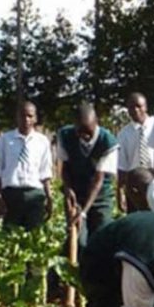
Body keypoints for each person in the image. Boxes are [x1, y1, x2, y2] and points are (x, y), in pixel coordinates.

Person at [59, 103, 119, 250]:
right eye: (80, 131)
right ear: (74, 126)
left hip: (100, 197)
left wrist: (83, 212)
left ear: (96, 123)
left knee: (101, 239)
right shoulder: (66, 136)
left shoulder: (108, 142)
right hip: (77, 194)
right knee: (78, 240)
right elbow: (65, 167)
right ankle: (74, 269)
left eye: (89, 132)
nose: (85, 136)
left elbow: (98, 181)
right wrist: (68, 190)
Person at [0, 102, 53, 231]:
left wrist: (49, 198)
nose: (26, 120)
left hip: (35, 195)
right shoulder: (5, 139)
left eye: (30, 116)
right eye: (22, 116)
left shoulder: (42, 141)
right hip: (11, 195)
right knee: (10, 237)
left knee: (34, 236)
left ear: (35, 118)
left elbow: (45, 173)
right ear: (17, 117)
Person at [117, 92, 154, 212]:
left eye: (139, 106)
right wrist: (119, 191)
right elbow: (122, 166)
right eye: (131, 107)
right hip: (134, 185)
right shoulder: (124, 134)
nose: (135, 110)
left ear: (146, 107)